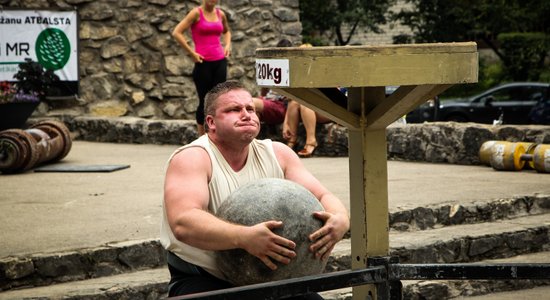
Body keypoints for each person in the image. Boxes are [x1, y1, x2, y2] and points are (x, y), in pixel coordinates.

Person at [161, 80, 350, 298]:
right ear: (211, 122)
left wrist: (341, 219)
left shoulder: (279, 153)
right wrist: (244, 237)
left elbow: (322, 195)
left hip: (272, 277)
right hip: (204, 279)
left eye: (250, 108)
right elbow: (184, 222)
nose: (246, 114)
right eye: (234, 109)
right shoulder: (192, 157)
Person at [172, 0, 231, 136]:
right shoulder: (195, 13)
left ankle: (217, 135)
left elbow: (227, 32)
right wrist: (191, 53)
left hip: (220, 62)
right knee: (204, 101)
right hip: (203, 63)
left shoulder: (220, 14)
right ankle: (202, 138)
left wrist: (227, 45)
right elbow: (177, 32)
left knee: (219, 100)